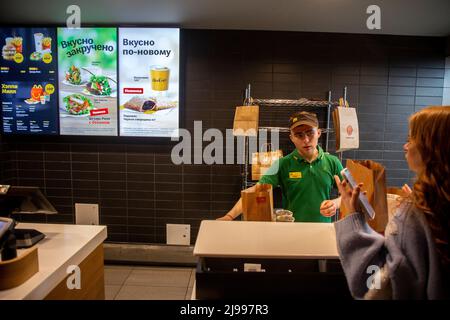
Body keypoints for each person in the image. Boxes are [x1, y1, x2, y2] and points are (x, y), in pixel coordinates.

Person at [334, 106, 450, 299]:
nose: (405, 146)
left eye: (411, 139)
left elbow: (375, 283)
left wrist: (353, 217)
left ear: (431, 147)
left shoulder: (417, 212)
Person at [218, 111, 344, 223]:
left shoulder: (333, 162)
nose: (306, 140)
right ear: (292, 138)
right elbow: (257, 189)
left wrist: (336, 203)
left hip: (323, 230)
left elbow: (349, 194)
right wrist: (229, 216)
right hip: (291, 230)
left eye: (310, 133)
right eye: (299, 135)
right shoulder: (281, 164)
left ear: (318, 133)